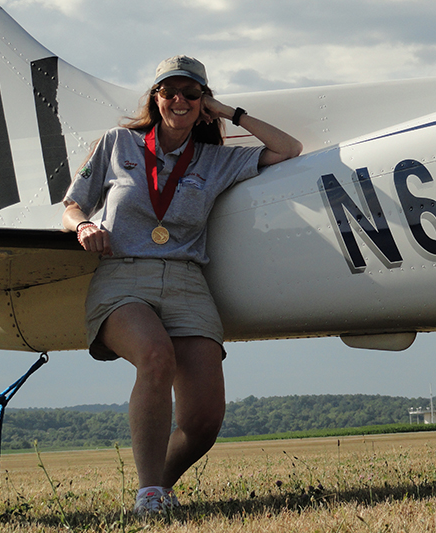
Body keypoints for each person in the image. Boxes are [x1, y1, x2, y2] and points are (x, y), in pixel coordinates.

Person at [62, 55, 302, 514]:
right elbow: (72, 205)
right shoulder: (118, 143)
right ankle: (148, 494)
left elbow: (288, 149)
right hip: (124, 275)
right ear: (155, 98)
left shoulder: (215, 159)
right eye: (169, 91)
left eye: (191, 94)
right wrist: (83, 228)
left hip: (188, 282)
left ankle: (159, 486)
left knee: (204, 418)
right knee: (156, 357)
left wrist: (230, 113)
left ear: (202, 102)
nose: (180, 100)